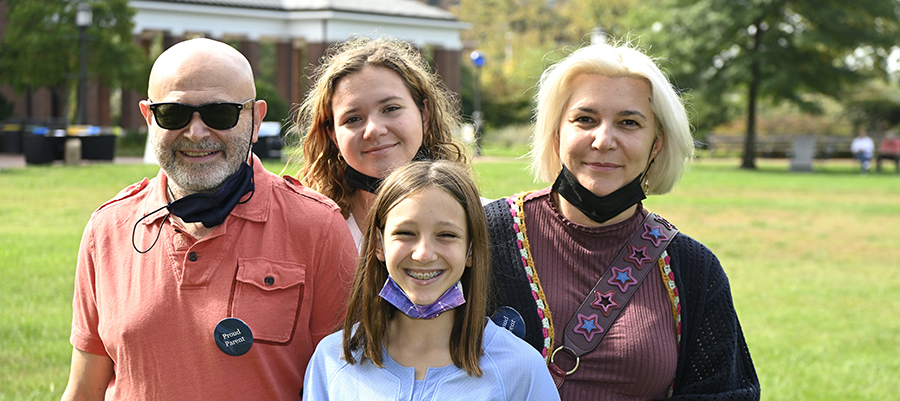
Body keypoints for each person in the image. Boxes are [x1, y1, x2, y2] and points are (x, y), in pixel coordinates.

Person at [60, 38, 357, 400]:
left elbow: (347, 384)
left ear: (256, 117)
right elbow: (83, 390)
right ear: (148, 117)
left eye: (220, 113)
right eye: (174, 113)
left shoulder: (318, 227)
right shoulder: (107, 230)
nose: (196, 132)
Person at [484, 41, 760, 400]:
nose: (603, 140)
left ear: (656, 144)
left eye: (629, 123)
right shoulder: (486, 234)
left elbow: (727, 393)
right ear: (556, 134)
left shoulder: (693, 269)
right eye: (585, 119)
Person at [303, 160, 559, 400]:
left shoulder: (521, 369)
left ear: (471, 249)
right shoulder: (332, 360)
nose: (423, 254)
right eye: (405, 233)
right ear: (378, 245)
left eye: (446, 235)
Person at [290, 36, 468, 250]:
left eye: (390, 109)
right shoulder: (310, 228)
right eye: (352, 119)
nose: (374, 130)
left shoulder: (474, 217)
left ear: (424, 115)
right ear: (333, 136)